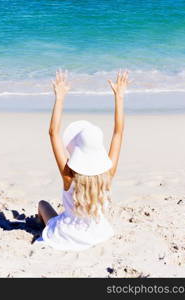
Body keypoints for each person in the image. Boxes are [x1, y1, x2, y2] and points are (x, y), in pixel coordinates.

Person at [37, 69, 129, 251]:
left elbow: (53, 133)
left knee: (42, 205)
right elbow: (118, 133)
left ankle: (37, 225)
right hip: (97, 233)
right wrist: (119, 96)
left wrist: (60, 97)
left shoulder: (68, 176)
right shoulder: (108, 173)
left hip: (67, 235)